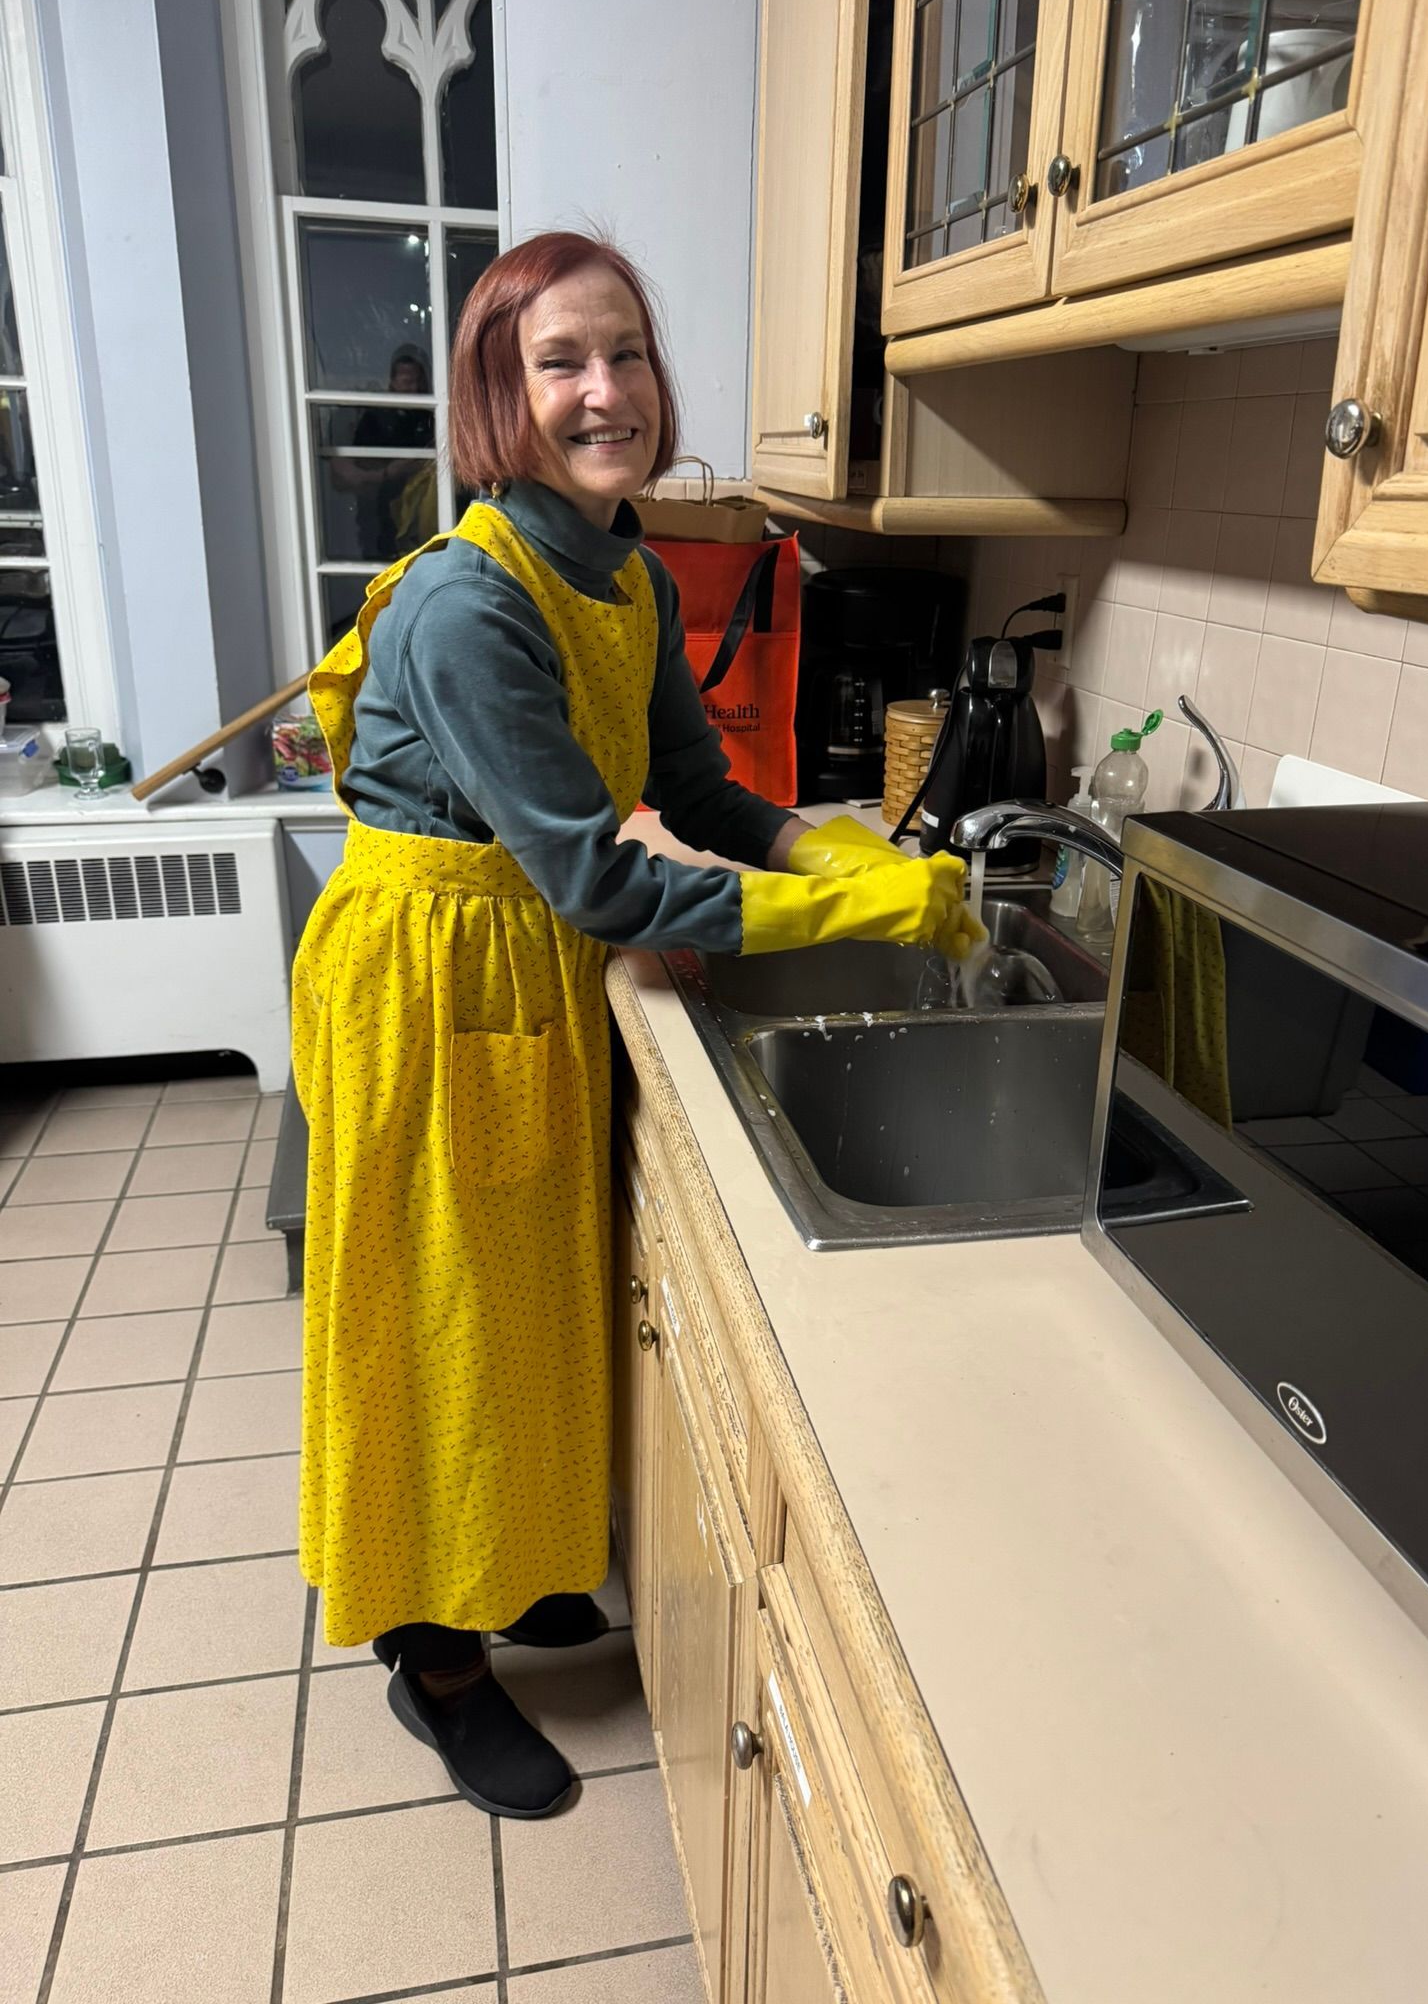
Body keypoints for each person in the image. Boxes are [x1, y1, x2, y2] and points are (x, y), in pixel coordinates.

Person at [291, 230, 983, 1822]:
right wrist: (836, 914)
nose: (607, 392)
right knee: (438, 1317)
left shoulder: (631, 567)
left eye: (629, 354)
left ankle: (516, 1563)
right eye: (560, 364)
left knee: (528, 1302)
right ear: (499, 398)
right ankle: (431, 1659)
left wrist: (823, 845)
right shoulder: (469, 606)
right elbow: (605, 873)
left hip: (520, 969)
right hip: (434, 981)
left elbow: (694, 792)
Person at [329, 344, 435, 561]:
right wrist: (388, 472)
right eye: (405, 381)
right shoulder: (376, 417)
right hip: (379, 514)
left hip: (425, 517)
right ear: (392, 382)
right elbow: (350, 471)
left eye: (416, 381)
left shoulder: (433, 416)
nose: (411, 388)